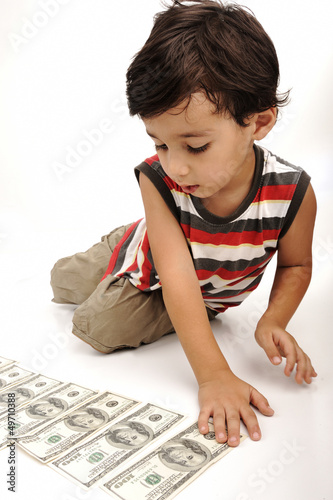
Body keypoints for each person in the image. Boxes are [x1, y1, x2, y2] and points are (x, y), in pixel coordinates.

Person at [50, 0, 317, 447]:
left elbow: (295, 267)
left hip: (196, 285)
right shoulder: (159, 180)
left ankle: (133, 251)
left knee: (97, 328)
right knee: (63, 281)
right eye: (160, 144)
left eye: (194, 147)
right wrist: (213, 375)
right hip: (165, 265)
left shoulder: (293, 192)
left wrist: (273, 320)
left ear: (259, 121)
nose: (175, 167)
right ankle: (128, 246)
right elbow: (176, 276)